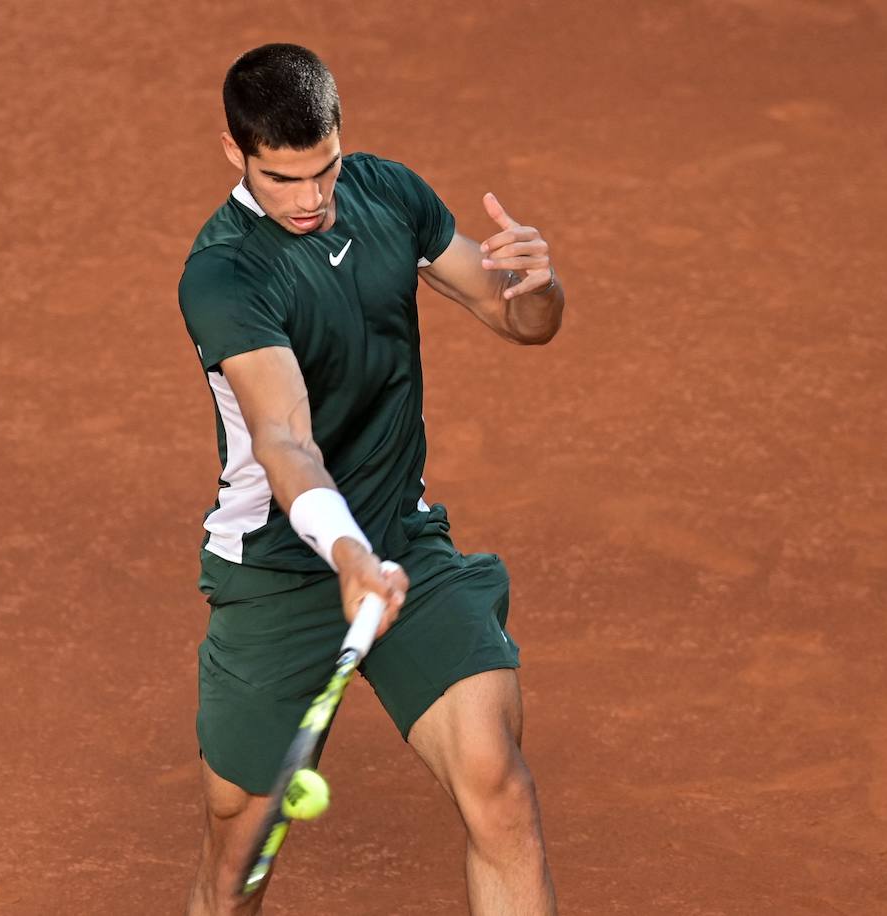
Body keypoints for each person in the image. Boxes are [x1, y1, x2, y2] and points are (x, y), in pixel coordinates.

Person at [177, 43, 565, 916]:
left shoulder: (387, 194)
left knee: (496, 783)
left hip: (401, 545)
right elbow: (284, 440)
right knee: (239, 856)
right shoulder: (225, 274)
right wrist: (344, 553)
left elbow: (518, 319)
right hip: (279, 573)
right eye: (284, 179)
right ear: (235, 153)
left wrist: (539, 289)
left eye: (326, 168)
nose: (313, 198)